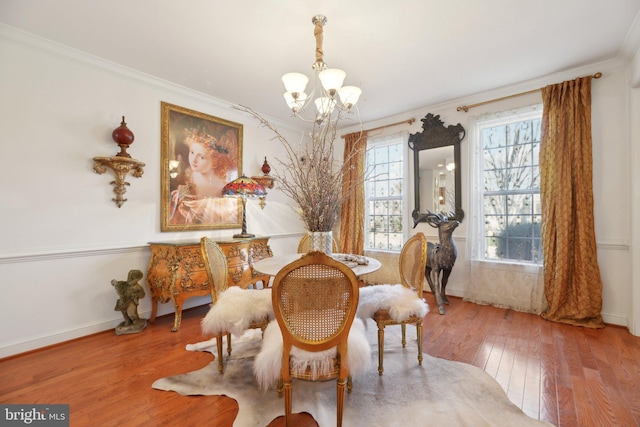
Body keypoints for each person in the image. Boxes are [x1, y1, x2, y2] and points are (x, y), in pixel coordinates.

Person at [170, 128, 239, 225]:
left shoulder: (223, 180)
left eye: (202, 157)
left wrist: (205, 203)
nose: (194, 160)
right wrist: (183, 195)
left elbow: (230, 208)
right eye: (192, 152)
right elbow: (197, 196)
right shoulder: (190, 173)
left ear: (214, 162)